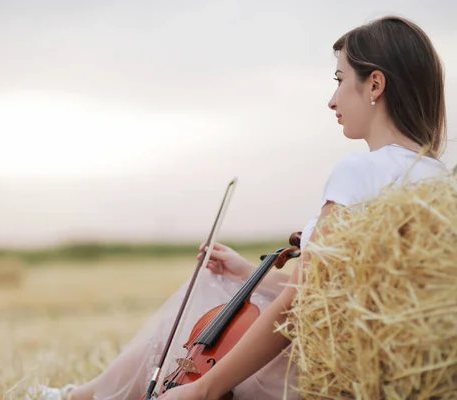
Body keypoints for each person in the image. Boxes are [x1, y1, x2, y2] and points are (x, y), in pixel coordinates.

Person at [29, 15, 449, 400]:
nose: (332, 99)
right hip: (367, 370)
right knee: (224, 286)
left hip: (306, 371)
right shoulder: (436, 182)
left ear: (375, 85)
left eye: (340, 79)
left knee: (204, 292)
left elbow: (304, 301)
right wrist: (249, 274)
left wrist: (207, 388)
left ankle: (85, 396)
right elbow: (336, 294)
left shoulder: (358, 171)